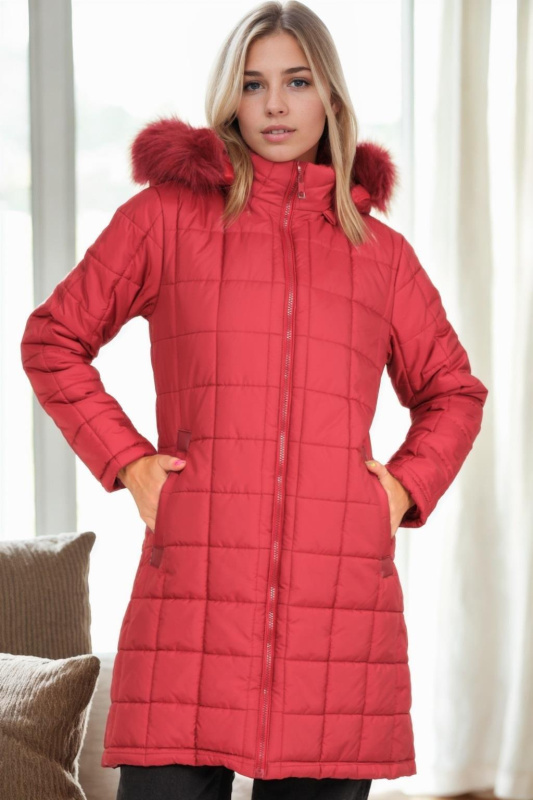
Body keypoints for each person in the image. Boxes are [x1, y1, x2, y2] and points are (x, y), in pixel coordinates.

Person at [20, 1, 489, 798]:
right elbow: (53, 339)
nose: (274, 104)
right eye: (252, 83)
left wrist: (401, 488)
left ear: (330, 97)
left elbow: (453, 391)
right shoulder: (165, 219)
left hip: (334, 616)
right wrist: (130, 463)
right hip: (192, 600)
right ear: (229, 97)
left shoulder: (380, 255)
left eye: (296, 82)